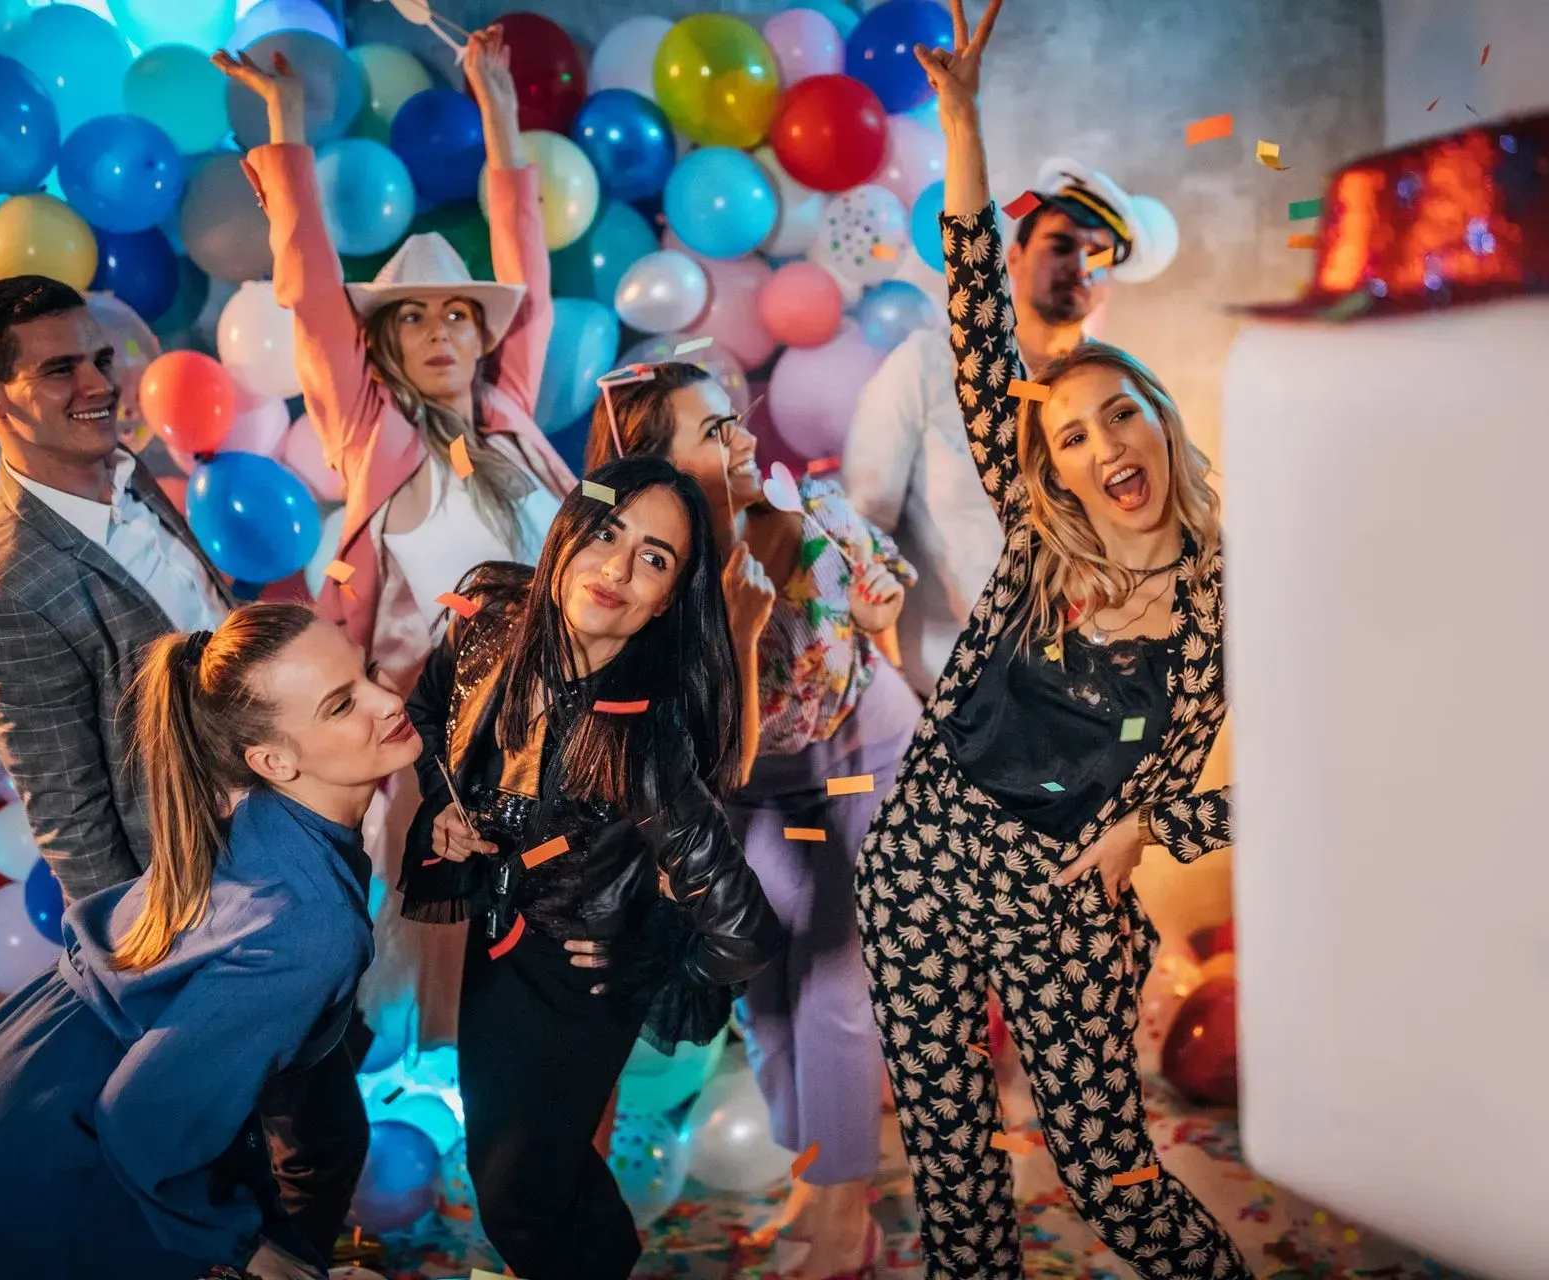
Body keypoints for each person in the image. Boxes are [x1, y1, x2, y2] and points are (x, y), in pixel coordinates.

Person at [852, 3, 1252, 1277]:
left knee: (1110, 1173)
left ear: (1161, 424)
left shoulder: (1224, 597)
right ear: (1055, 471)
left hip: (1071, 893)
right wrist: (961, 121)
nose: (1101, 449)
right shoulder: (1038, 546)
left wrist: (1156, 831)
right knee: (954, 1171)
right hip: (922, 862)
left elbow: (1315, 767)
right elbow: (975, 316)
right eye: (1071, 438)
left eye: (1119, 418)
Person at [0, 275, 371, 1259]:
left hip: (289, 849)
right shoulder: (9, 594)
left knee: (320, 1121)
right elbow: (74, 825)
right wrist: (167, 983)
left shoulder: (128, 471)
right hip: (217, 920)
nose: (98, 383)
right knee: (266, 1156)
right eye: (60, 369)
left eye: (98, 358)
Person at [0, 602, 422, 1280]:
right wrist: (253, 1254)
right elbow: (143, 1122)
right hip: (40, 1155)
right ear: (272, 761)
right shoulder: (309, 926)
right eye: (342, 705)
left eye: (369, 673)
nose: (385, 698)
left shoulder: (259, 809)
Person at [217, 30, 573, 1052]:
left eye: (459, 313)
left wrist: (497, 105)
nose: (440, 331)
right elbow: (313, 294)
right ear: (384, 344)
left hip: (561, 741)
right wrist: (285, 130)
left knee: (554, 966)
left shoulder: (515, 420)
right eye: (412, 317)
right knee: (435, 972)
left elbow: (531, 277)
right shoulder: (372, 434)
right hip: (442, 761)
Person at [396, 455, 783, 1280]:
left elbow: (745, 931)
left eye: (653, 558)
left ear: (670, 598)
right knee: (537, 1181)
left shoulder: (646, 738)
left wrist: (650, 951)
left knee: (517, 1197)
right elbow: (430, 712)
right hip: (496, 947)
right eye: (605, 532)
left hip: (580, 977)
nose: (616, 568)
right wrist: (448, 809)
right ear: (568, 532)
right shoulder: (489, 620)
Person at [585, 367, 919, 1278]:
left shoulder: (806, 510)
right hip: (755, 787)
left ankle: (847, 1220)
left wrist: (879, 607)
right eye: (711, 429)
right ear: (650, 467)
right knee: (768, 984)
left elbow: (888, 580)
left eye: (736, 421)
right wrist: (732, 623)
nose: (740, 440)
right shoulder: (650, 585)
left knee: (837, 991)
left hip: (867, 763)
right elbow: (700, 750)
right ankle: (817, 1180)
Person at [843, 144, 1155, 700]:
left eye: (1100, 255)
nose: (1081, 266)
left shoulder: (1120, 394)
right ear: (1014, 254)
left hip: (1069, 703)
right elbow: (863, 529)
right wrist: (888, 694)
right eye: (1061, 245)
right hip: (938, 695)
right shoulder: (928, 364)